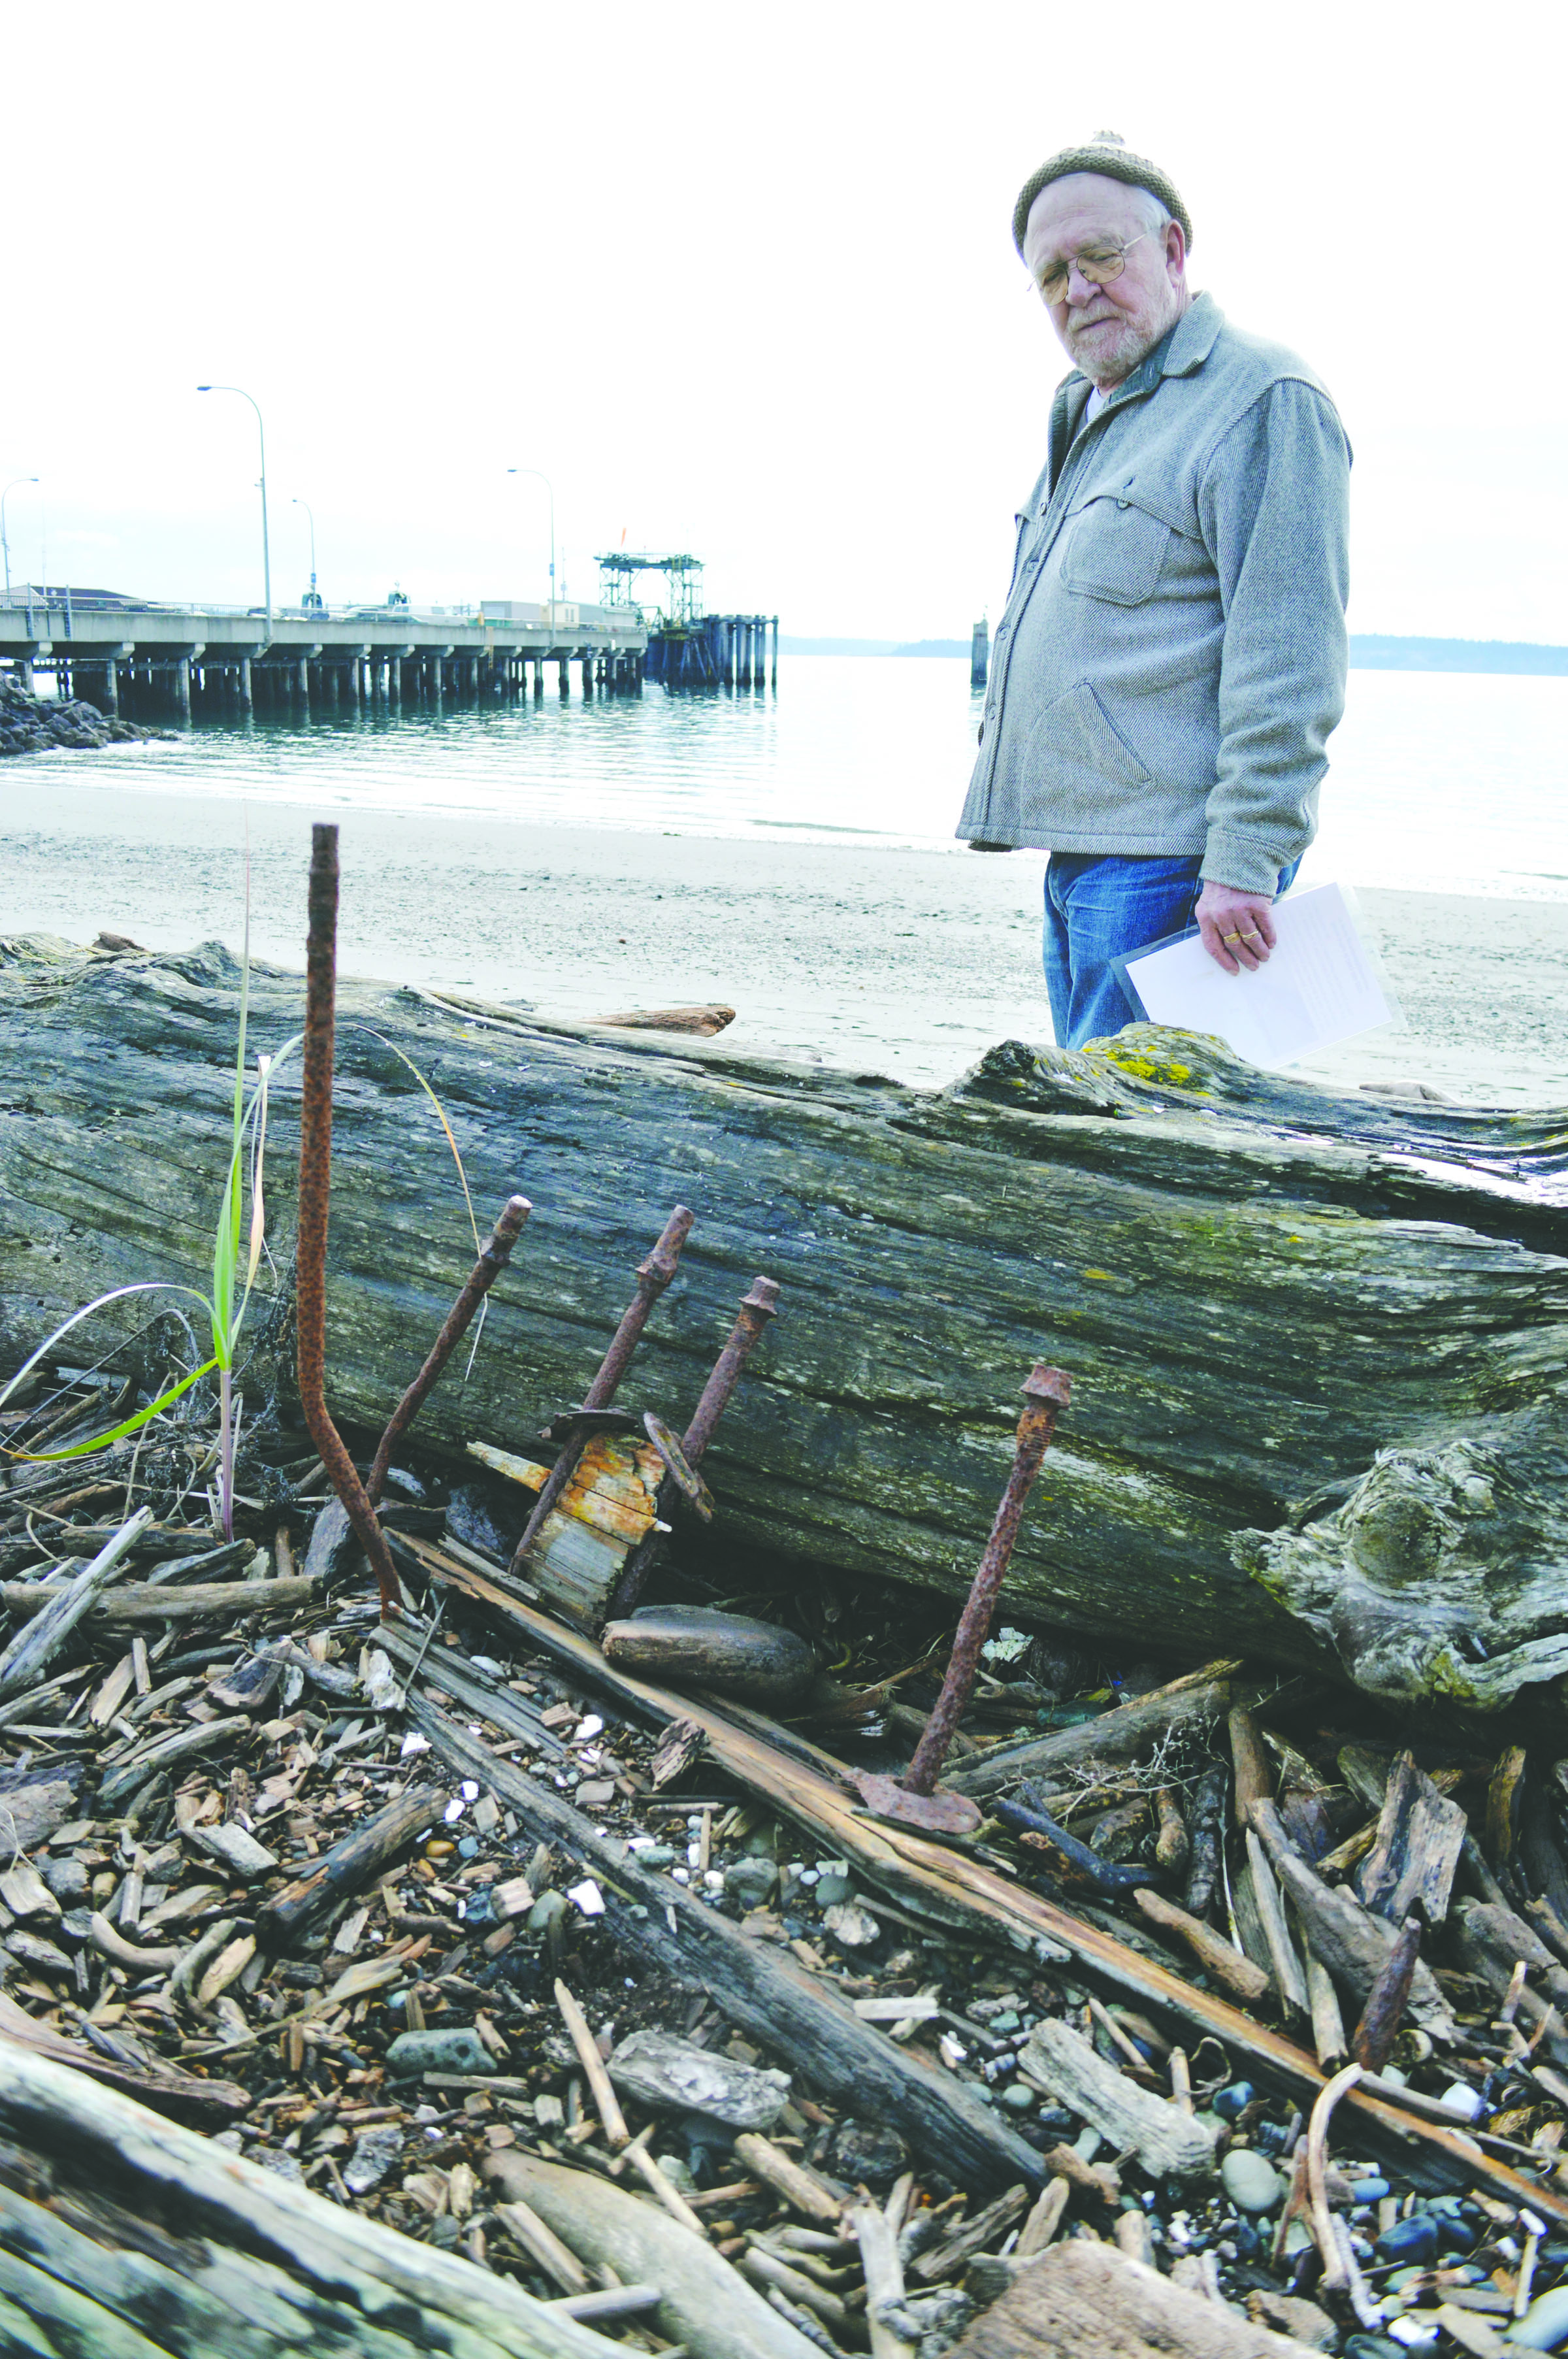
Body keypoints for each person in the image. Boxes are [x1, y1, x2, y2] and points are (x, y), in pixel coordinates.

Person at [958, 131, 1350, 1050]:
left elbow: (1290, 658)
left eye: (1100, 256)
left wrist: (1247, 863)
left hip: (1174, 868)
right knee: (1103, 1127)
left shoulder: (1261, 396)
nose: (1076, 289)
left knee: (1127, 1147)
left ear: (1173, 250)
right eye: (1051, 272)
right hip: (1082, 855)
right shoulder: (1086, 409)